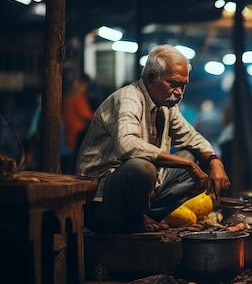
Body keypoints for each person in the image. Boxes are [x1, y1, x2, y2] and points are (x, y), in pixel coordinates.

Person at [76, 44, 230, 233]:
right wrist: (187, 165)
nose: (179, 92)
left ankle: (143, 216)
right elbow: (127, 146)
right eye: (173, 84)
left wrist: (215, 162)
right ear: (150, 78)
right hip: (102, 205)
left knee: (196, 156)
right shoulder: (129, 98)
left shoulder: (166, 107)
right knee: (142, 168)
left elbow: (193, 138)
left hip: (138, 201)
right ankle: (136, 220)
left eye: (183, 85)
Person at [62, 73, 93, 173]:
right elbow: (87, 116)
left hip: (68, 135)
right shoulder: (78, 98)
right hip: (78, 136)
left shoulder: (67, 96)